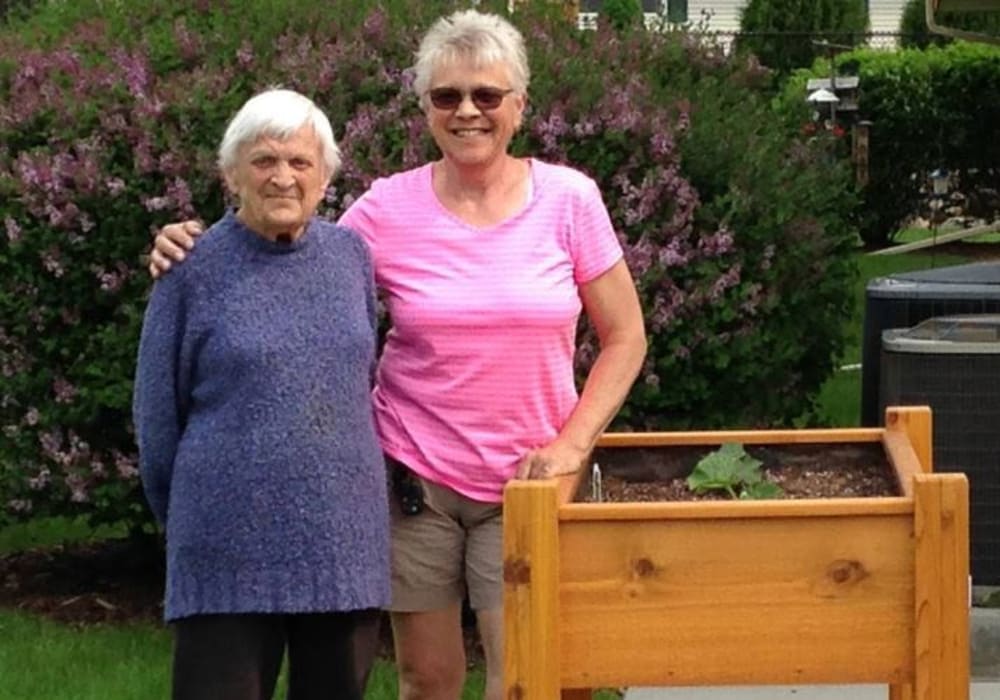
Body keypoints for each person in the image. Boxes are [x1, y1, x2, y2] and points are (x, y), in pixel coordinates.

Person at [148, 9, 647, 700]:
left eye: (486, 95)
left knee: (528, 678)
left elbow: (626, 336)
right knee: (427, 679)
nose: (467, 111)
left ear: (519, 106)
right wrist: (189, 244)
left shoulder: (570, 199)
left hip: (532, 479)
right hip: (418, 482)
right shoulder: (385, 210)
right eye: (447, 96)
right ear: (426, 109)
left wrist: (572, 445)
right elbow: (288, 250)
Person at [133, 88, 389, 700]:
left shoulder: (350, 258)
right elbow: (155, 418)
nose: (282, 178)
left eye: (300, 163)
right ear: (231, 174)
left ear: (324, 177)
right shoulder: (190, 266)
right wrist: (199, 516)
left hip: (342, 546)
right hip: (224, 550)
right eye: (264, 161)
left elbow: (360, 377)